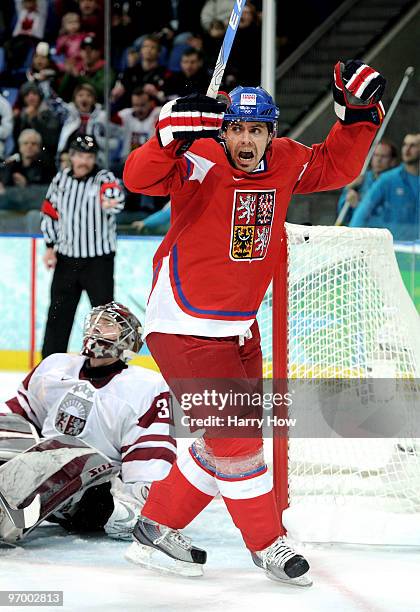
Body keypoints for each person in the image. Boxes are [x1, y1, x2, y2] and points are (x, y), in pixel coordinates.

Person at [123, 60, 386, 585]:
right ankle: (267, 544)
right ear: (224, 130)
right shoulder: (197, 157)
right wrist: (168, 135)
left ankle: (157, 524)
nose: (247, 140)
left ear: (272, 131)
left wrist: (356, 116)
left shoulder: (286, 161)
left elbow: (336, 166)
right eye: (238, 128)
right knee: (238, 439)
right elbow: (139, 178)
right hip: (183, 323)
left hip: (240, 328)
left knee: (226, 440)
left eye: (258, 129)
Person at [0, 301, 176, 543]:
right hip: (38, 474)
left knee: (66, 452)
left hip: (92, 492)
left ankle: (14, 512)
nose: (96, 330)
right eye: (94, 322)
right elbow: (17, 418)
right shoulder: (55, 366)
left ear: (128, 340)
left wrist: (130, 508)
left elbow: (149, 466)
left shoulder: (147, 388)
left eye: (107, 325)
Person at [41, 134, 125, 358]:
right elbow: (50, 213)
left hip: (98, 262)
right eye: (79, 155)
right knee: (58, 316)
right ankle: (49, 363)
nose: (84, 161)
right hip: (66, 260)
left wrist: (112, 199)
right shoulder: (60, 180)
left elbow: (114, 194)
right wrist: (50, 246)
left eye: (88, 156)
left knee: (103, 318)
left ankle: (106, 363)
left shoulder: (102, 177)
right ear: (70, 157)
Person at [349, 133, 420, 240]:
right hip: (396, 247)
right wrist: (352, 240)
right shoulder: (388, 179)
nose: (407, 149)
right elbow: (362, 212)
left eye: (413, 145)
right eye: (405, 145)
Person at [336, 140, 398, 224]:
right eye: (376, 155)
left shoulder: (396, 183)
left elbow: (390, 218)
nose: (378, 160)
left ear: (392, 161)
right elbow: (343, 215)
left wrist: (359, 206)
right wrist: (348, 188)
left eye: (383, 156)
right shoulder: (361, 179)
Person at [0, 128, 55, 193]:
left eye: (33, 144)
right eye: (25, 143)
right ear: (20, 147)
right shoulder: (10, 165)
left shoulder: (46, 168)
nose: (29, 146)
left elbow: (46, 191)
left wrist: (27, 185)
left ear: (39, 147)